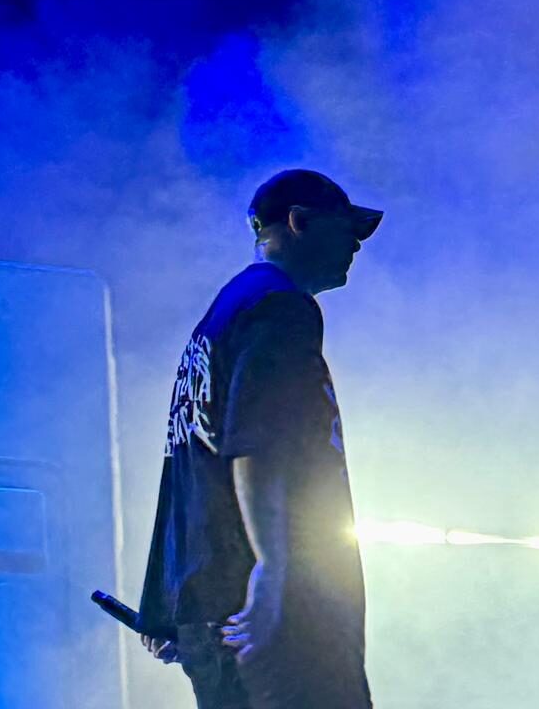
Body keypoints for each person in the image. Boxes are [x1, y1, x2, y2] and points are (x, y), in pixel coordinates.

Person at [137, 169, 381, 709]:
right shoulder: (281, 307)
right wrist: (273, 574)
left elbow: (186, 462)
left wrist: (167, 604)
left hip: (215, 610)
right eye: (347, 229)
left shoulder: (220, 317)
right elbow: (256, 446)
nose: (356, 245)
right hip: (275, 617)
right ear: (299, 222)